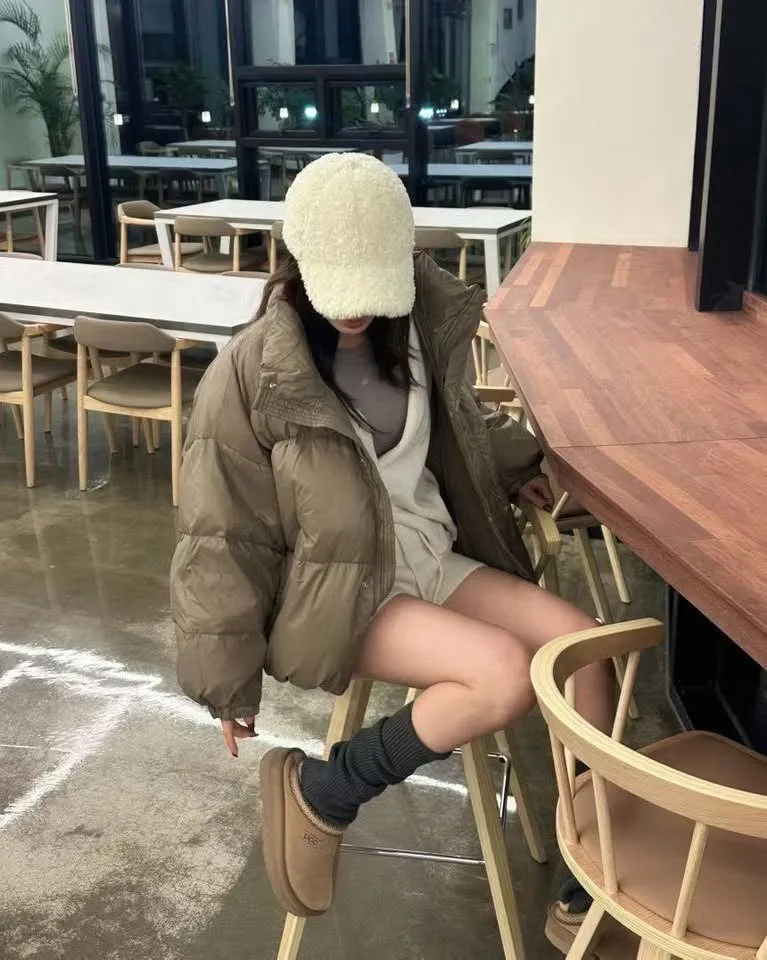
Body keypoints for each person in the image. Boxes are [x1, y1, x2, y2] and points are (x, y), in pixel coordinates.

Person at [170, 153, 614, 928]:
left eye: (370, 286)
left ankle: (595, 853)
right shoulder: (251, 373)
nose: (354, 312)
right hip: (336, 592)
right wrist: (225, 683)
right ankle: (328, 788)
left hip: (429, 554)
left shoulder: (411, 329)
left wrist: (521, 465)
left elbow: (458, 421)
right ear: (299, 259)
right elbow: (220, 532)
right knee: (500, 675)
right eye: (338, 287)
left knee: (584, 647)